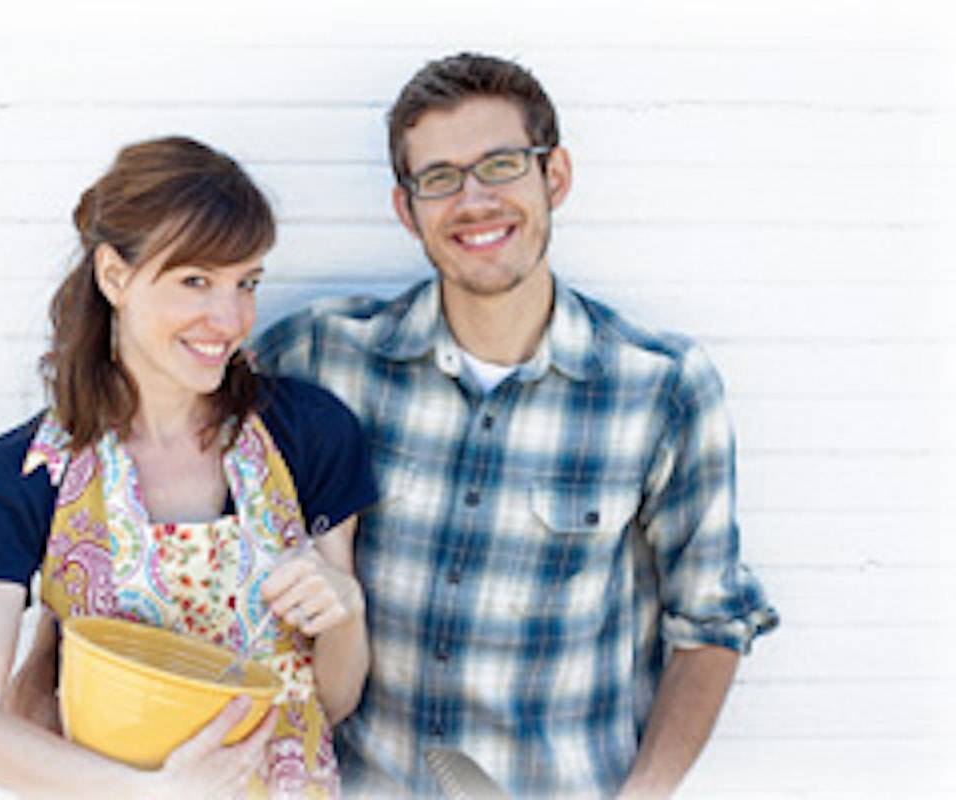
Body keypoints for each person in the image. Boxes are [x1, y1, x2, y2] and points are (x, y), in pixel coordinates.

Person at [254, 53, 779, 798]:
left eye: (501, 165)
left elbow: (710, 627)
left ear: (554, 176)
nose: (473, 200)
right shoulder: (320, 355)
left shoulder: (661, 388)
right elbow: (173, 412)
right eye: (439, 178)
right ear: (407, 210)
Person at [0, 136, 377, 798]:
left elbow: (329, 702)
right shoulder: (25, 473)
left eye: (246, 283)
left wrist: (345, 612)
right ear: (115, 276)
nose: (228, 319)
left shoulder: (307, 434)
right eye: (195, 280)